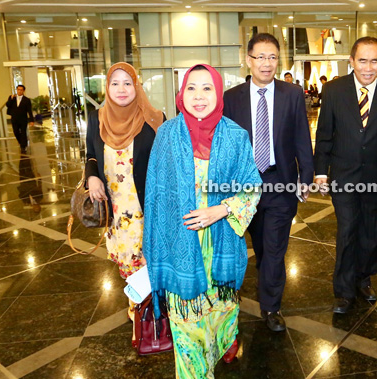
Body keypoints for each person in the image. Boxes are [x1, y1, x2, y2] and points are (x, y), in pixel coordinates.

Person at [144, 64, 261, 378]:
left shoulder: (236, 136)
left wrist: (220, 209)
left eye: (207, 88)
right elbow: (155, 192)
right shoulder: (167, 134)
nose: (198, 96)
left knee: (219, 314)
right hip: (180, 248)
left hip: (220, 247)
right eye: (191, 88)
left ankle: (223, 343)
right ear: (181, 93)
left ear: (218, 92)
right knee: (188, 329)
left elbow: (252, 186)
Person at [223, 33, 314, 332]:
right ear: (248, 60)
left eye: (272, 57)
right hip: (243, 184)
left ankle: (271, 306)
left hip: (280, 180)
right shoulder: (231, 98)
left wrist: (306, 178)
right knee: (259, 247)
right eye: (260, 57)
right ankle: (253, 286)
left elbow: (302, 137)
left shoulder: (292, 94)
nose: (266, 63)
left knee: (275, 248)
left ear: (279, 60)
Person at [314, 36, 377, 314]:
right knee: (347, 230)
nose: (368, 67)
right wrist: (320, 172)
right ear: (351, 61)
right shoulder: (333, 90)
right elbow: (325, 135)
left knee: (369, 230)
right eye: (362, 60)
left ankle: (364, 278)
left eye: (374, 60)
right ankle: (343, 290)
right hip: (343, 174)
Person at [85, 62, 164, 332]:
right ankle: (139, 307)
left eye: (127, 83)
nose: (121, 89)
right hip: (117, 211)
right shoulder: (97, 118)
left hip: (147, 207)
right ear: (107, 87)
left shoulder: (154, 118)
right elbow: (91, 156)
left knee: (149, 258)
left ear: (137, 86)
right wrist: (91, 175)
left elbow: (166, 163)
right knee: (128, 262)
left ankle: (151, 306)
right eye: (115, 83)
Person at [6, 85, 34, 153]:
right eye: (18, 89)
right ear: (17, 90)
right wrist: (11, 99)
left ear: (23, 91)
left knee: (23, 132)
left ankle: (23, 146)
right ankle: (21, 142)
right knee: (16, 132)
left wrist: (31, 120)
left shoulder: (26, 100)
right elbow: (7, 105)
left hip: (23, 119)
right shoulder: (12, 97)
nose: (19, 91)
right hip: (14, 118)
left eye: (21, 90)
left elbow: (29, 110)